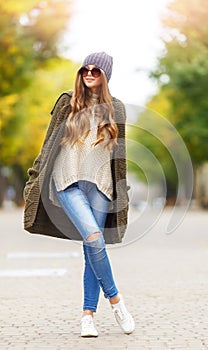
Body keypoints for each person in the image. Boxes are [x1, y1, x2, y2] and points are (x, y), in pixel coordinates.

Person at [23, 52, 135, 337]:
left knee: (91, 249)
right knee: (95, 239)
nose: (89, 73)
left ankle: (88, 316)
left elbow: (119, 157)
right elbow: (48, 144)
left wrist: (122, 190)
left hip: (100, 185)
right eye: (85, 69)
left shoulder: (117, 109)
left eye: (96, 70)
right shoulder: (66, 103)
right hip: (67, 182)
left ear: (105, 75)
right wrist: (34, 178)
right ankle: (116, 300)